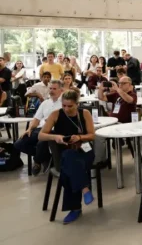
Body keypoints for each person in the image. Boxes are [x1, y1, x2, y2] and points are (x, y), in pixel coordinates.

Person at [38, 90, 96, 224]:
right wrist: (55, 137)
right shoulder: (56, 114)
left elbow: (92, 135)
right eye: (64, 105)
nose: (66, 108)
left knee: (69, 167)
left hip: (84, 152)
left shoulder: (84, 113)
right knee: (69, 159)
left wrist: (80, 137)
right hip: (63, 153)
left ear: (77, 104)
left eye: (70, 106)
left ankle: (75, 209)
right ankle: (85, 189)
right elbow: (41, 135)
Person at [14, 79, 63, 176]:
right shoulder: (45, 103)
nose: (51, 91)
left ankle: (37, 161)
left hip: (54, 130)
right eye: (50, 88)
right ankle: (46, 157)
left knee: (41, 143)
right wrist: (29, 129)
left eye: (54, 89)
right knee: (18, 144)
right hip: (40, 129)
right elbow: (36, 119)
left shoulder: (64, 103)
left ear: (61, 90)